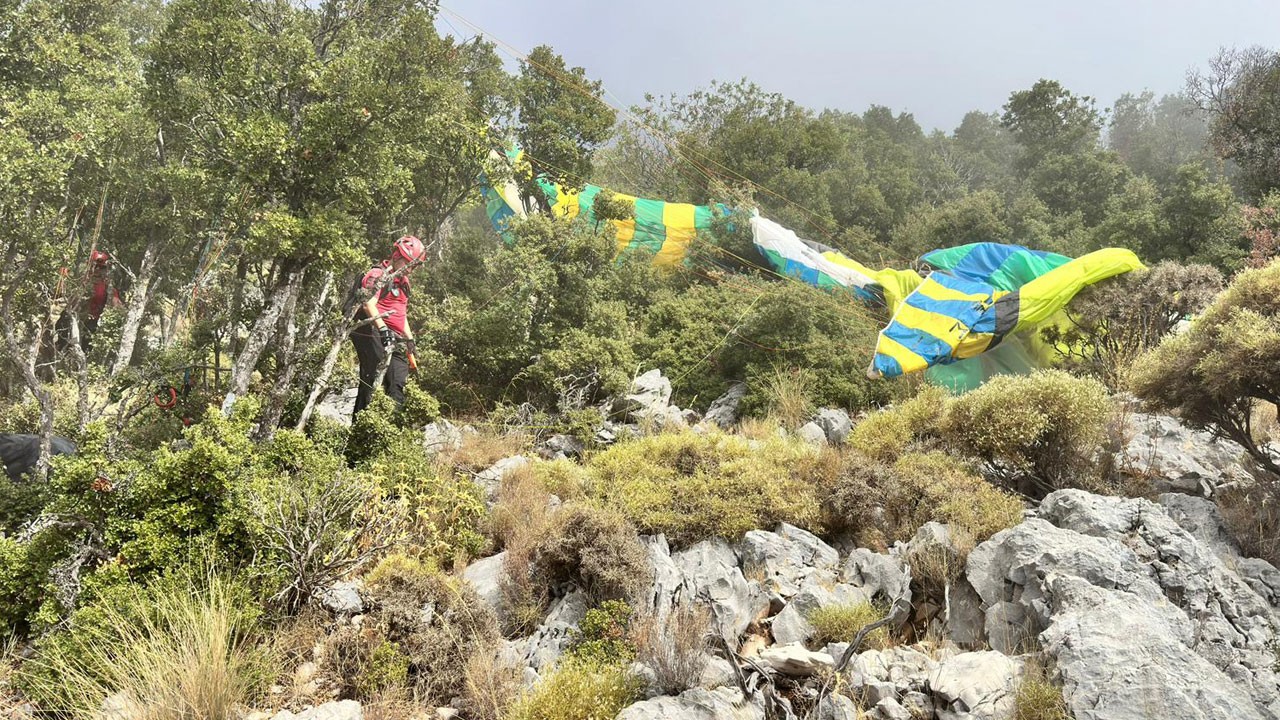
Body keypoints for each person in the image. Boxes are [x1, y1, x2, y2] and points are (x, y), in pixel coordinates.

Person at [350, 235, 425, 415]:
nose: (412, 269)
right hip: (371, 329)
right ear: (398, 256)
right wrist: (383, 330)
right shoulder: (378, 275)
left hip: (393, 334)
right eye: (410, 263)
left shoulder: (404, 281)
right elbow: (368, 304)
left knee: (398, 379)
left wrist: (409, 339)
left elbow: (401, 313)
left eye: (415, 265)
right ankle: (361, 425)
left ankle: (392, 426)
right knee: (372, 374)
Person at [55, 249, 122, 353]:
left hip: (91, 323)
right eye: (95, 266)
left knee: (85, 348)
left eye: (101, 268)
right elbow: (62, 291)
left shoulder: (108, 288)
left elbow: (117, 306)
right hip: (72, 318)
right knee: (61, 332)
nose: (97, 270)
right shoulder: (80, 280)